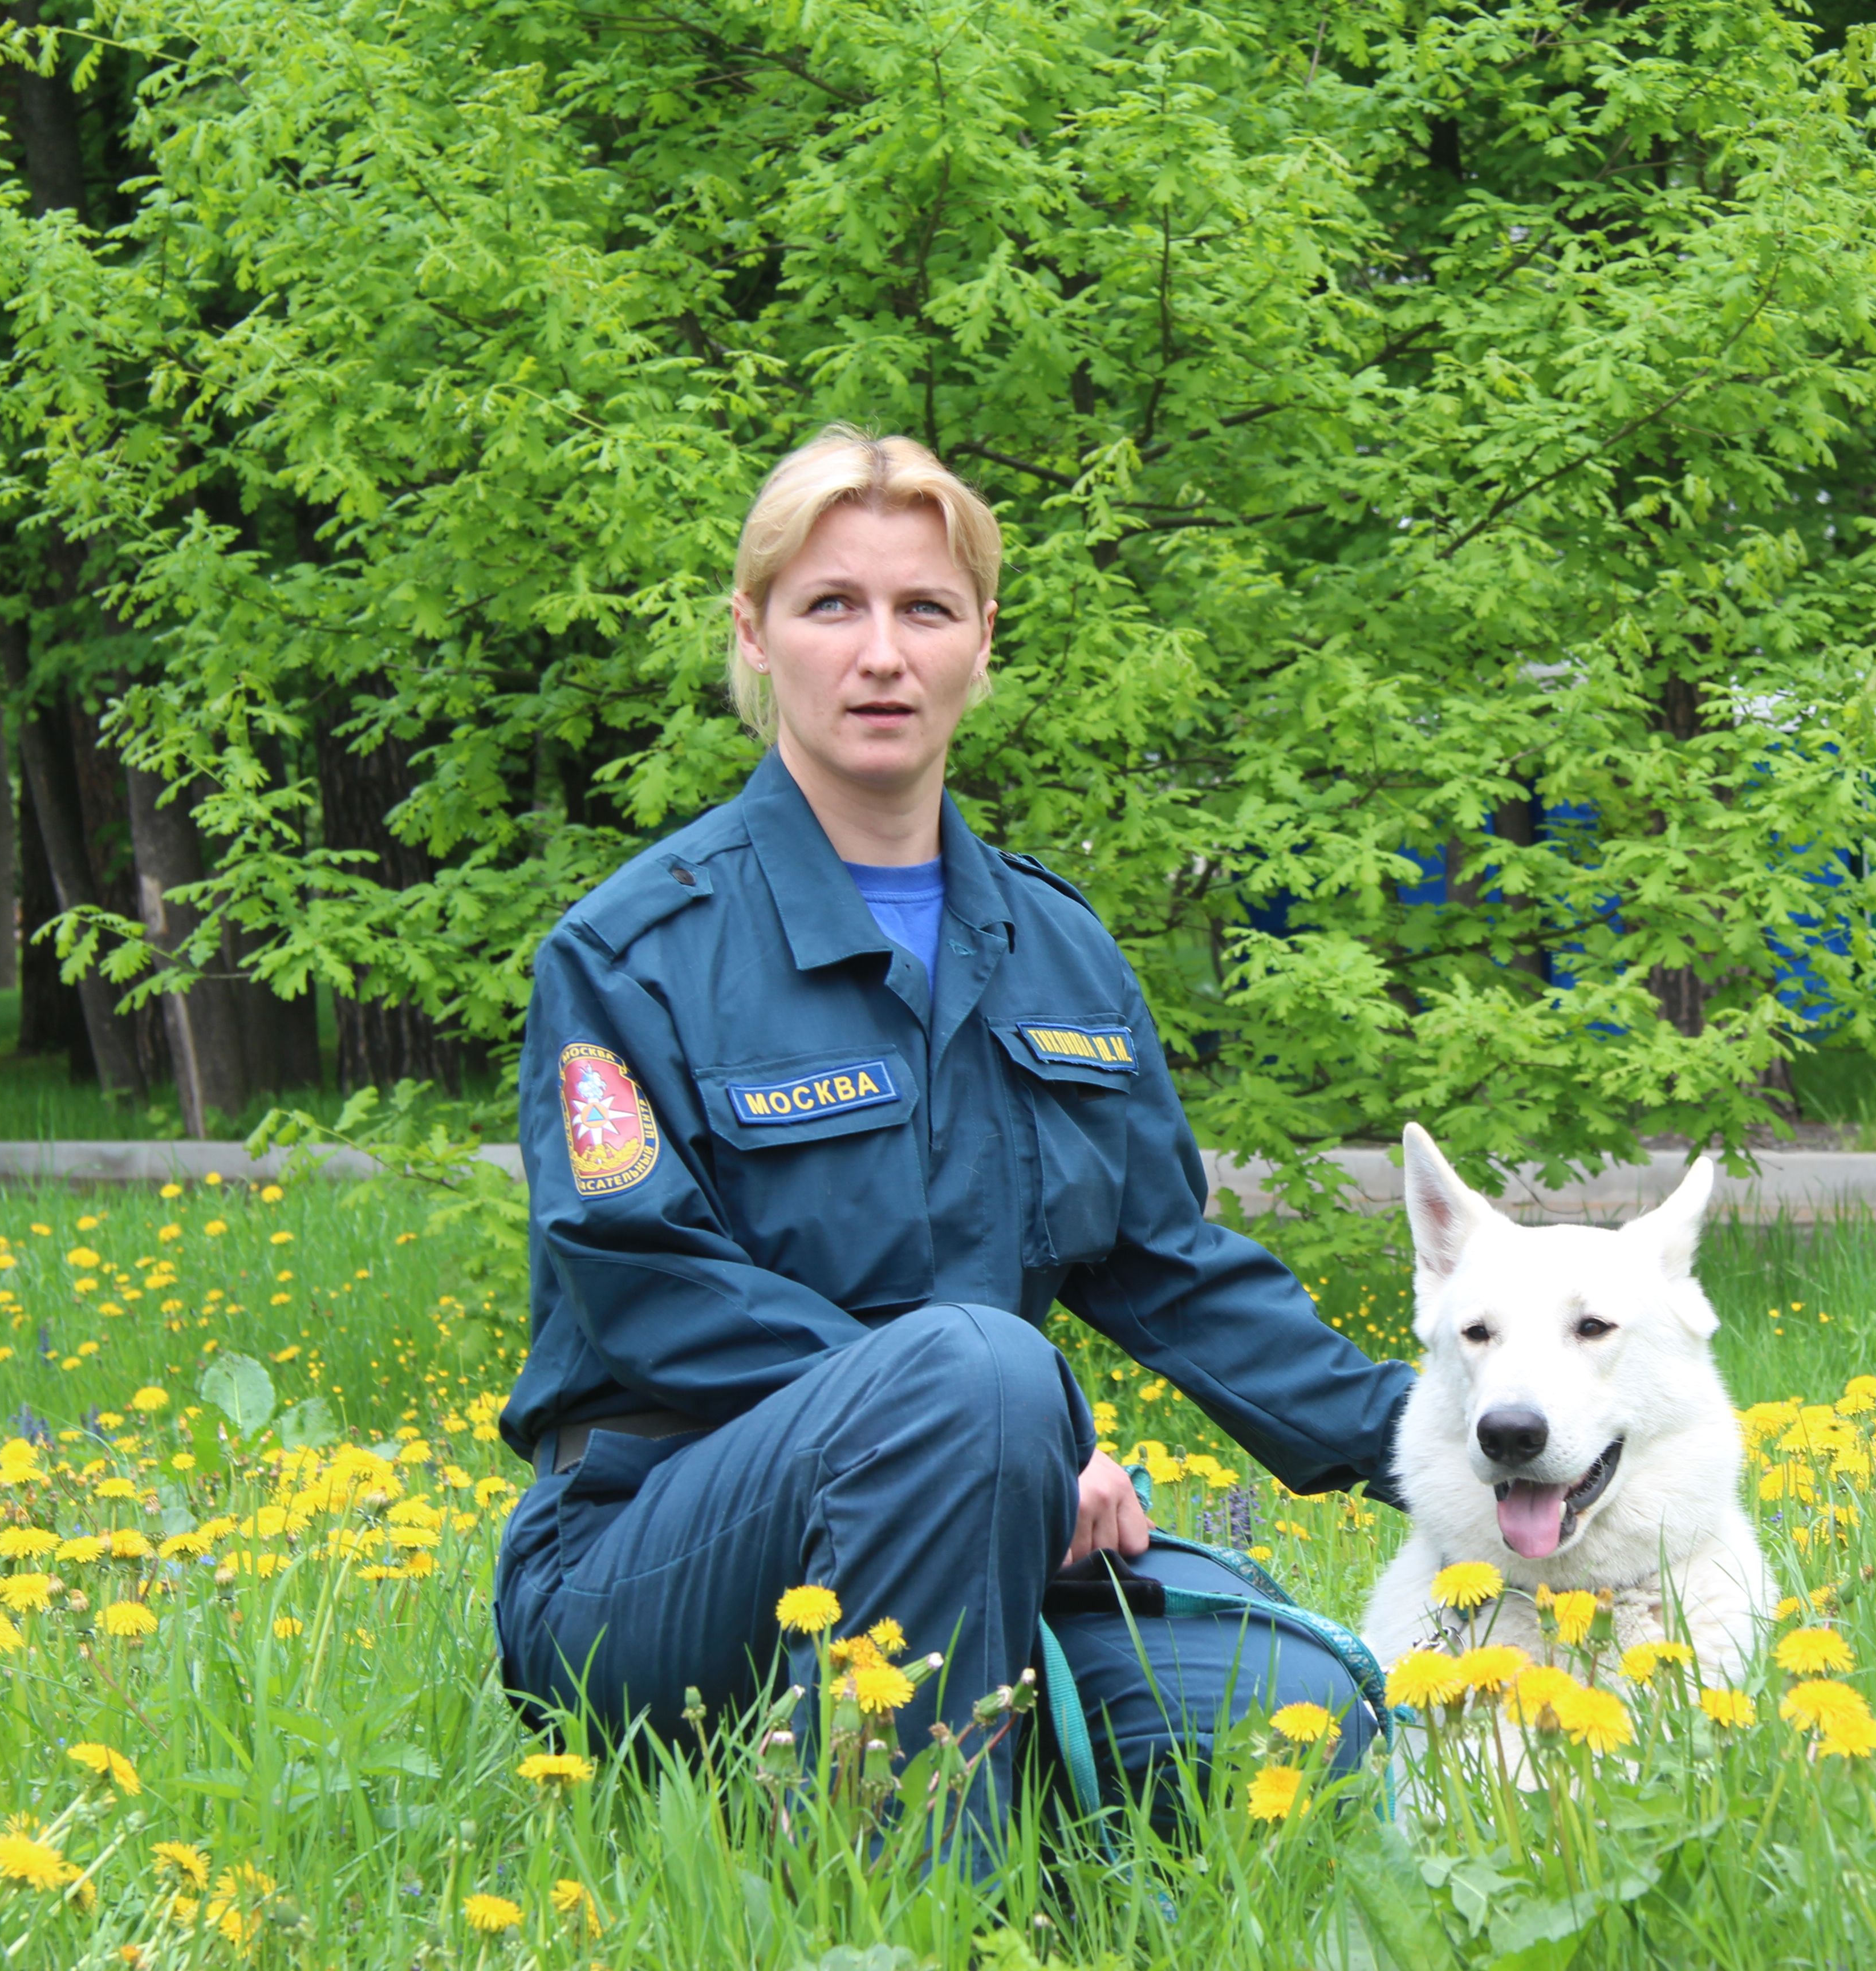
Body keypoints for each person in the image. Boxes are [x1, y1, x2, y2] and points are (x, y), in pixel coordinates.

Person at [492, 424, 1412, 1862]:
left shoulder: (1056, 950)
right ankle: (915, 1917)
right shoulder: (634, 952)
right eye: (830, 606)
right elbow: (649, 1285)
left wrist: (1445, 1441)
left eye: (925, 609)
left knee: (1294, 1714)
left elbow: (1172, 1268)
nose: (881, 654)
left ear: (983, 641)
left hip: (986, 1533)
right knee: (976, 1369)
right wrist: (1016, 1438)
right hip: (653, 1558)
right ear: (755, 634)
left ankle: (897, 1798)